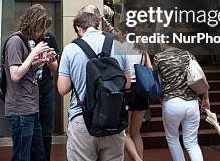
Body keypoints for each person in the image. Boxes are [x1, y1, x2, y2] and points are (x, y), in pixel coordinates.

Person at [57, 9, 130, 161]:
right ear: (98, 24)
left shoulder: (71, 49)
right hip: (113, 119)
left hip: (82, 119)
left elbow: (62, 89)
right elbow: (127, 83)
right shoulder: (118, 44)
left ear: (79, 28)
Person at [4, 4, 57, 161]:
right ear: (34, 24)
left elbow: (24, 68)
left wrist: (41, 60)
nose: (43, 32)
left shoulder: (24, 41)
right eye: (41, 28)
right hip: (21, 109)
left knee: (38, 154)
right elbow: (15, 74)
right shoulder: (15, 41)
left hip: (30, 108)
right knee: (22, 155)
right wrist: (34, 53)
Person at [154, 46, 210, 161]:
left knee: (172, 138)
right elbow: (200, 76)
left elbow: (155, 81)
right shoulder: (188, 55)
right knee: (192, 143)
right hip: (192, 103)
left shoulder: (159, 57)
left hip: (171, 102)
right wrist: (205, 98)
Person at [113, 22, 151, 161]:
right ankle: (140, 157)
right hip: (141, 90)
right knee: (136, 133)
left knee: (124, 132)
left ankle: (137, 159)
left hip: (127, 90)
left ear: (123, 33)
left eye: (117, 31)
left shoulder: (120, 47)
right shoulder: (142, 47)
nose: (115, 34)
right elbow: (150, 69)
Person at [37, 26, 60, 161]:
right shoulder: (22, 38)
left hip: (46, 88)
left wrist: (50, 61)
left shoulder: (49, 37)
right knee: (30, 129)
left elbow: (55, 66)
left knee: (46, 129)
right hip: (27, 91)